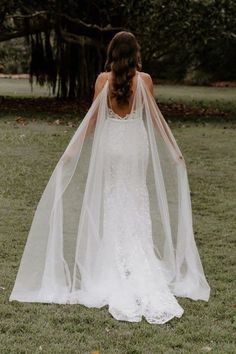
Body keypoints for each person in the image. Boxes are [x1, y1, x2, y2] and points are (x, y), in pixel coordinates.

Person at [9, 31, 210, 324]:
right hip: (136, 145)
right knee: (136, 195)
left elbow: (92, 120)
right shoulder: (146, 81)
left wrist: (71, 151)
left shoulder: (103, 81)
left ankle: (115, 261)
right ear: (136, 53)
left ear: (112, 53)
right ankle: (138, 258)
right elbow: (156, 121)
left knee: (114, 197)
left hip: (113, 145)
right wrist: (174, 151)